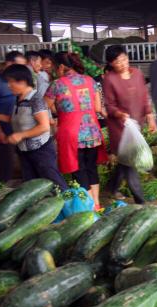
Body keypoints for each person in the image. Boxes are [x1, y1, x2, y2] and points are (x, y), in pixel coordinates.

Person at [45, 52, 107, 208]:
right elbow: (98, 108)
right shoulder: (90, 80)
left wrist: (60, 110)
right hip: (92, 131)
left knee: (79, 170)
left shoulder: (57, 84)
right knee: (91, 168)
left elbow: (45, 105)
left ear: (61, 67)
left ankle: (90, 206)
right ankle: (97, 203)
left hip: (71, 132)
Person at [0, 64, 67, 190]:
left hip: (41, 151)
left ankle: (70, 206)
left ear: (22, 81)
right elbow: (16, 118)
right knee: (32, 187)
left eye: (10, 82)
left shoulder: (36, 100)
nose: (8, 86)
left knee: (53, 182)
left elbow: (44, 127)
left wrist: (20, 135)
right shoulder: (19, 99)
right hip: (25, 151)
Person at [102, 45, 157, 204]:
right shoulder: (110, 79)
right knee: (130, 161)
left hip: (136, 124)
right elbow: (110, 105)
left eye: (124, 59)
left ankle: (112, 188)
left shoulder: (137, 74)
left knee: (124, 160)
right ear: (111, 64)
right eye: (118, 62)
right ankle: (140, 200)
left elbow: (145, 97)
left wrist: (150, 117)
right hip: (120, 127)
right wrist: (119, 114)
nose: (123, 63)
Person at [0, 51, 26, 183]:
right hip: (4, 128)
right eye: (19, 65)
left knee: (25, 156)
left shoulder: (21, 80)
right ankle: (3, 188)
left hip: (20, 126)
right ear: (9, 63)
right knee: (5, 161)